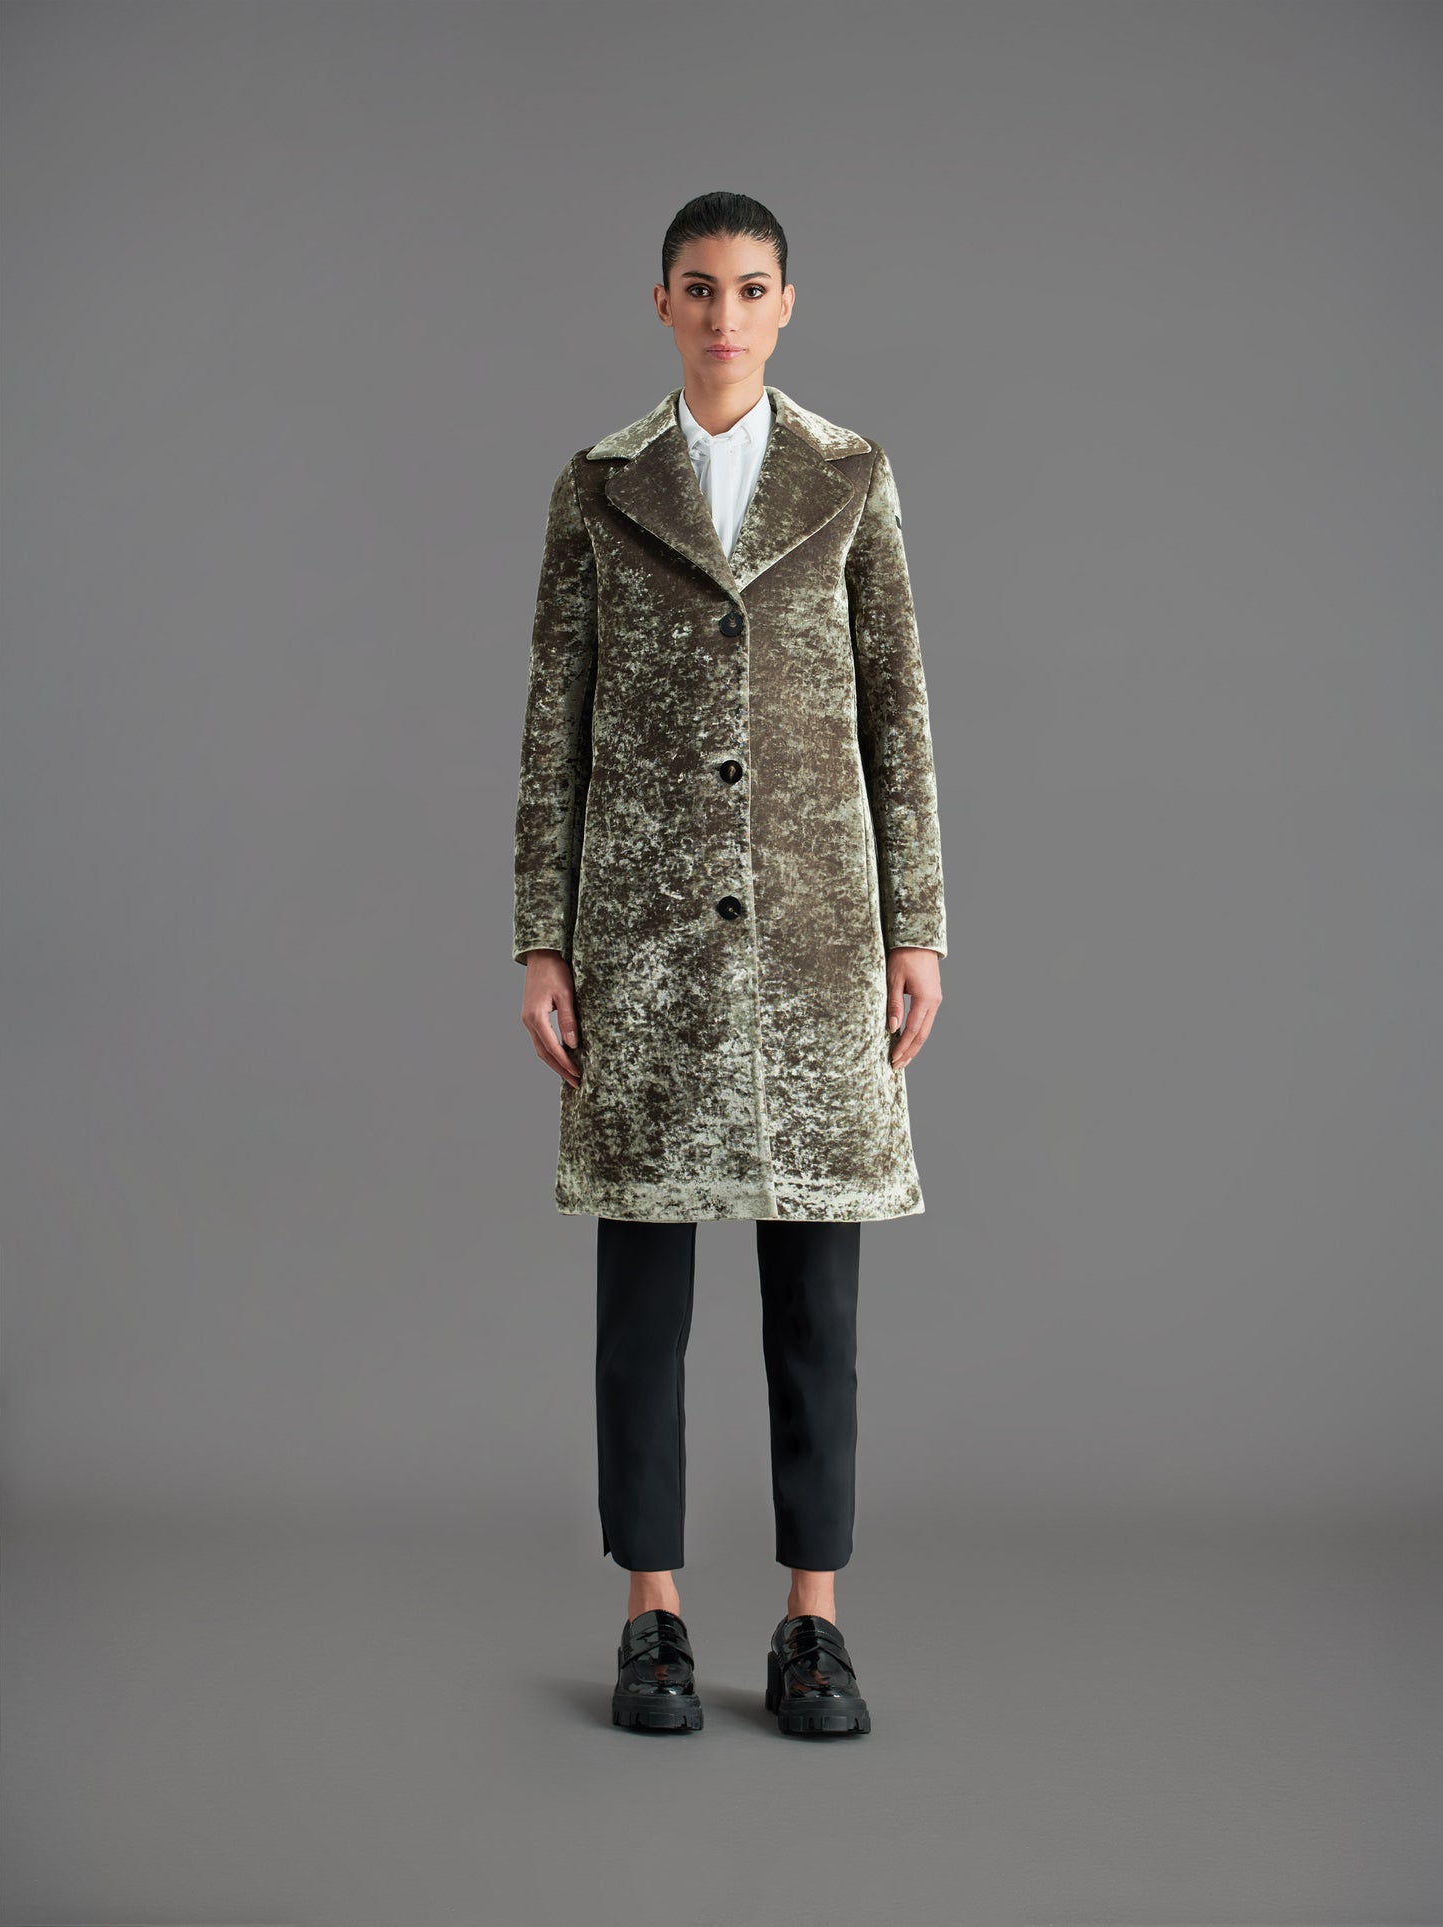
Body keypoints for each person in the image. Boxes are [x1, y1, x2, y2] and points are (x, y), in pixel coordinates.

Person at [513, 191, 946, 1736]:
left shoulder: (851, 475)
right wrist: (543, 934)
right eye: (698, 288)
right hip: (639, 938)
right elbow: (554, 720)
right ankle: (653, 1616)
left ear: (785, 304)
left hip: (819, 931)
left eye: (749, 288)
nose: (723, 315)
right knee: (641, 1298)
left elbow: (894, 704)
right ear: (661, 304)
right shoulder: (598, 485)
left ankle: (812, 1627)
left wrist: (915, 924)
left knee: (815, 1299)